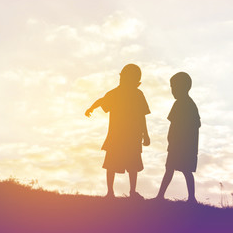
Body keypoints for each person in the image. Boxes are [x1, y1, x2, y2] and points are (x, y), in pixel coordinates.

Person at [85, 64, 150, 199]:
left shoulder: (134, 94)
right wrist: (91, 108)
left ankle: (128, 192)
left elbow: (142, 116)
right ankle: (111, 192)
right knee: (113, 164)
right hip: (120, 136)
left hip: (128, 136)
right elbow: (102, 101)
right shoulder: (120, 93)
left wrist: (146, 134)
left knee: (127, 165)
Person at [155, 72, 200, 203]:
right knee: (172, 169)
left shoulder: (184, 104)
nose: (172, 90)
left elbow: (178, 125)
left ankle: (191, 198)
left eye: (174, 87)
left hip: (182, 145)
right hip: (180, 145)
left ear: (183, 87)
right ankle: (161, 196)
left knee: (181, 170)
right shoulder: (187, 104)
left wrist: (174, 140)